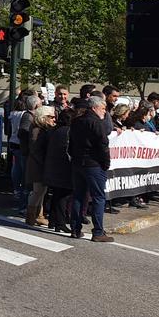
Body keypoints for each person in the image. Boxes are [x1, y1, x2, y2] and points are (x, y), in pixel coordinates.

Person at [69, 95, 113, 242]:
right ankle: (98, 232)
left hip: (77, 163)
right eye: (103, 108)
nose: (104, 112)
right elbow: (103, 144)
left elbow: (71, 144)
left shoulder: (76, 121)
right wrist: (106, 163)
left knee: (78, 196)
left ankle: (75, 229)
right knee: (98, 197)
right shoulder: (96, 122)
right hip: (93, 164)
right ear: (95, 107)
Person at [43, 108, 74, 233]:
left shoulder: (53, 130)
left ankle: (53, 220)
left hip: (52, 165)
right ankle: (60, 222)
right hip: (64, 167)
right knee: (63, 195)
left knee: (57, 194)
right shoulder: (68, 131)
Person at [24, 105, 55, 226]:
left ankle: (39, 215)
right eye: (51, 117)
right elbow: (35, 149)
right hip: (37, 165)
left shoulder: (42, 128)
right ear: (44, 117)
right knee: (38, 191)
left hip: (39, 163)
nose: (54, 119)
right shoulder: (37, 130)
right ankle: (31, 215)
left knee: (42, 191)